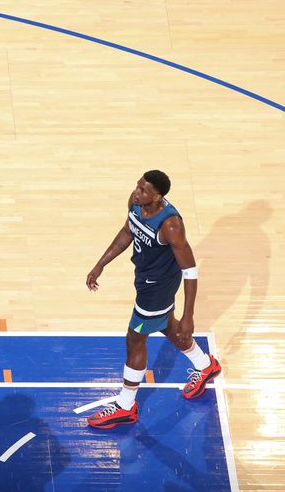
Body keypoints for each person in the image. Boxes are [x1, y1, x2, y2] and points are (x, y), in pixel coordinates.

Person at [85, 170, 222, 428]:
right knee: (165, 325)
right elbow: (127, 232)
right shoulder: (136, 203)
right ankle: (205, 365)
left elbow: (190, 271)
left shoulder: (170, 225)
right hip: (145, 277)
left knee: (135, 337)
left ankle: (126, 406)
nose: (137, 193)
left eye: (143, 190)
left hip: (158, 287)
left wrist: (189, 316)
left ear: (157, 196)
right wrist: (100, 264)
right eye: (137, 187)